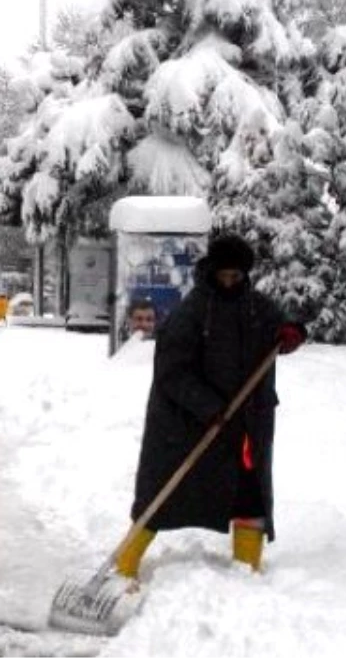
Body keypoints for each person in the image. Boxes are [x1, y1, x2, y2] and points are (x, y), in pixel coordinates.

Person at [116, 234, 306, 579]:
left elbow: (281, 330)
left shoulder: (257, 307)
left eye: (237, 276)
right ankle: (124, 564)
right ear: (213, 271)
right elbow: (171, 374)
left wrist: (291, 333)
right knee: (162, 493)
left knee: (249, 494)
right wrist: (209, 407)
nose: (230, 282)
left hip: (245, 423)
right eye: (224, 275)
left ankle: (247, 570)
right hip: (188, 425)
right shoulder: (192, 312)